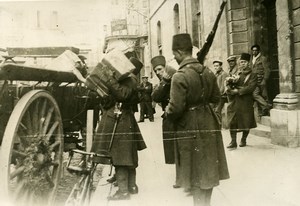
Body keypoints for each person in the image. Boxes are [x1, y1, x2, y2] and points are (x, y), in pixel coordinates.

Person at [165, 33, 229, 206]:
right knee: (208, 169)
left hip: (190, 126)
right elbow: (216, 97)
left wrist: (167, 110)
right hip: (209, 122)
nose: (175, 59)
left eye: (175, 55)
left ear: (178, 52)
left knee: (195, 172)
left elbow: (175, 108)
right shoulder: (207, 71)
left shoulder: (179, 76)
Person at [72, 57, 147, 200]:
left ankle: (124, 192)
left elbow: (121, 94)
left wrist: (109, 78)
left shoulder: (130, 79)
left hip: (120, 119)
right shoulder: (128, 79)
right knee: (127, 154)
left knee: (121, 155)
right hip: (122, 118)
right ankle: (131, 186)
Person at [150, 55, 180, 188]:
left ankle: (184, 178)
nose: (158, 72)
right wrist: (164, 82)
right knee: (173, 150)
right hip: (168, 119)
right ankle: (180, 177)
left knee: (182, 148)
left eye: (160, 69)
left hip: (179, 119)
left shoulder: (176, 78)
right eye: (155, 70)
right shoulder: (162, 83)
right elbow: (155, 97)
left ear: (166, 68)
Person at [226, 53, 257, 149]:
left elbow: (251, 87)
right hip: (235, 101)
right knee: (232, 121)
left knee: (246, 121)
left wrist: (238, 91)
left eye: (244, 62)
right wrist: (229, 84)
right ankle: (233, 141)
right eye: (241, 62)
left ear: (248, 63)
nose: (242, 64)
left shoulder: (253, 74)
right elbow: (232, 84)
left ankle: (243, 139)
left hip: (246, 101)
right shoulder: (237, 73)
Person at [250, 44, 271, 116]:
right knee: (255, 94)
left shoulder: (263, 58)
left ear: (258, 51)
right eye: (253, 50)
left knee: (264, 95)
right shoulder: (251, 59)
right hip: (254, 80)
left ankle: (265, 111)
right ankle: (267, 106)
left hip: (261, 79)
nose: (254, 52)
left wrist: (264, 79)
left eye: (256, 50)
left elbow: (267, 70)